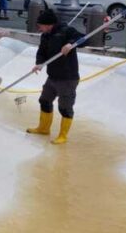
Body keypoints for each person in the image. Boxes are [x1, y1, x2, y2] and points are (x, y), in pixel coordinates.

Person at [27, 8, 88, 145]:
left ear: (49, 24)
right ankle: (43, 128)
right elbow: (41, 51)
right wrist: (39, 64)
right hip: (53, 76)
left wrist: (70, 44)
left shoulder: (66, 31)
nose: (39, 28)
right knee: (44, 100)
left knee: (65, 107)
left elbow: (84, 39)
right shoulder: (45, 35)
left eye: (40, 25)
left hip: (67, 78)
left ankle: (63, 135)